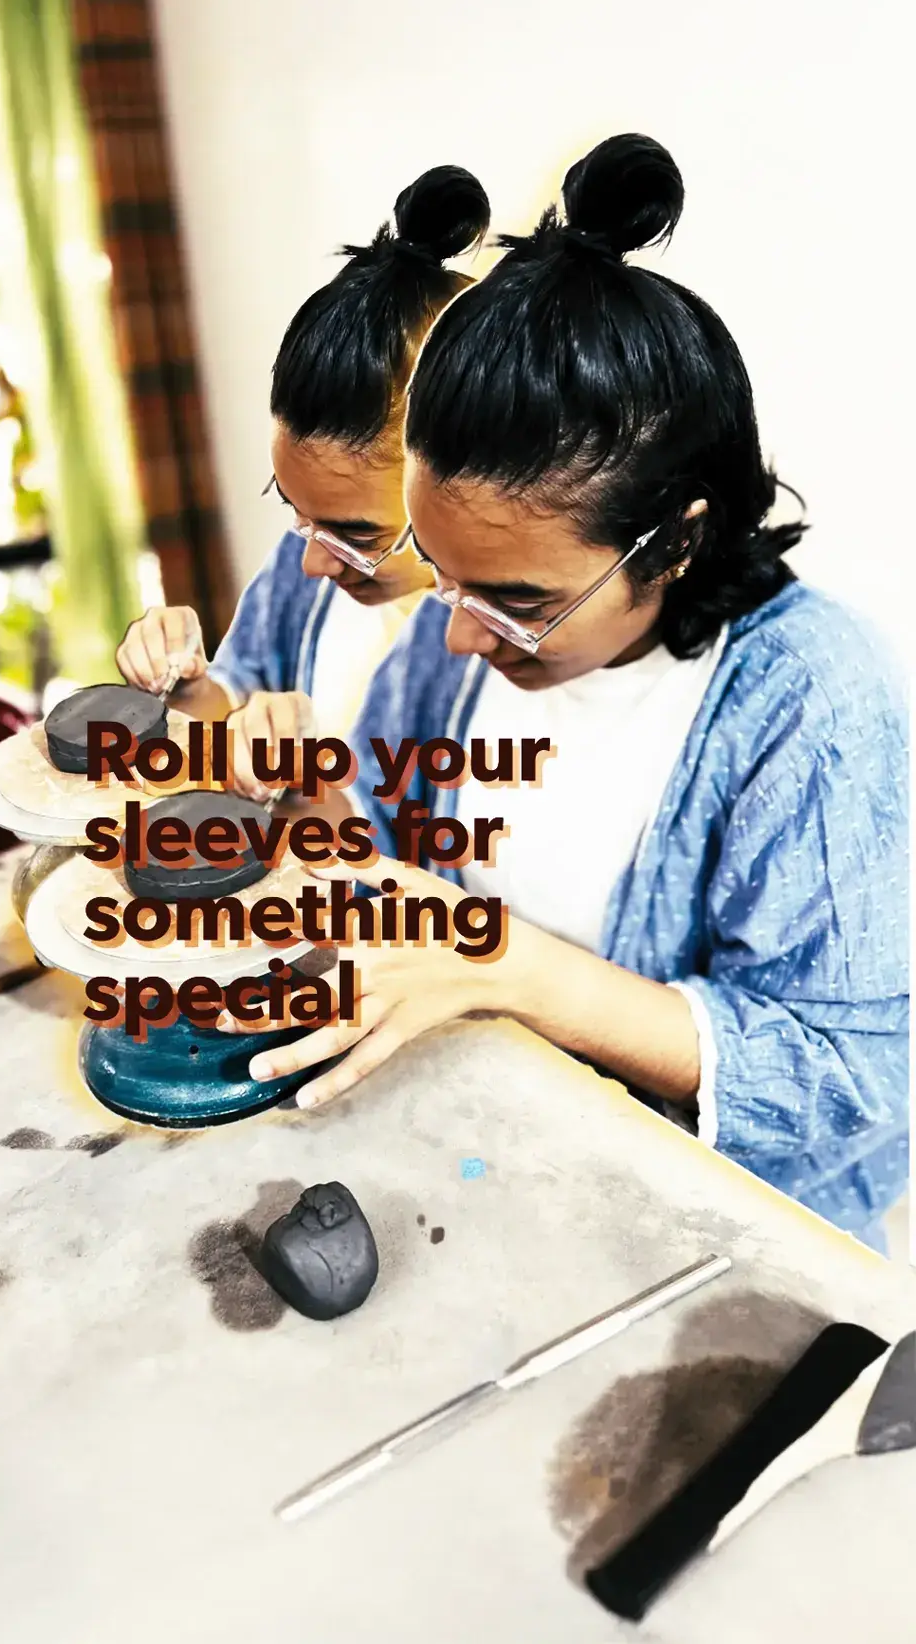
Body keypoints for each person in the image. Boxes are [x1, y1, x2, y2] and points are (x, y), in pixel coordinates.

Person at [235, 133, 909, 1248]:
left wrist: (516, 969)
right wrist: (310, 797)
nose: (459, 632)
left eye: (516, 599)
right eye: (437, 570)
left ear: (675, 540)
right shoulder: (455, 636)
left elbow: (850, 1078)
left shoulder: (809, 702)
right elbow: (388, 888)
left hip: (721, 1248)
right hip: (488, 1172)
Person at [115, 166, 490, 794]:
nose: (313, 560)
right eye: (296, 510)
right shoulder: (303, 571)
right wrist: (190, 688)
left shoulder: (524, 656)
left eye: (357, 535)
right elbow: (231, 713)